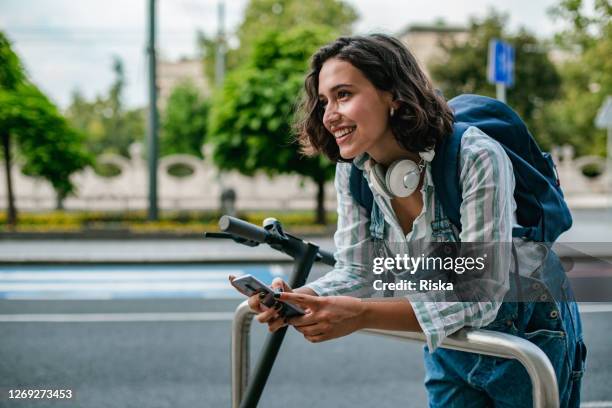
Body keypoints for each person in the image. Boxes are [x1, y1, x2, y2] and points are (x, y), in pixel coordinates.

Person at [238, 34, 585, 407]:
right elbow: (358, 271)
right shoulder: (354, 171)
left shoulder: (475, 155)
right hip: (450, 339)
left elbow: (481, 292)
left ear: (394, 95)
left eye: (343, 95)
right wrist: (305, 297)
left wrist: (361, 315)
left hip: (527, 334)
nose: (329, 114)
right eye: (324, 101)